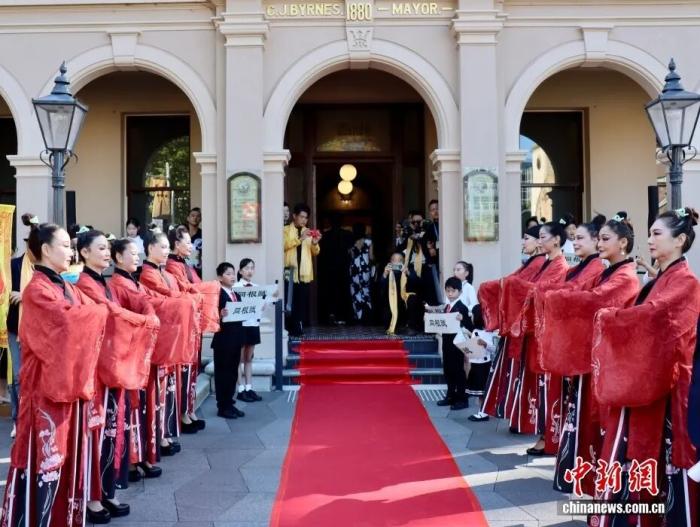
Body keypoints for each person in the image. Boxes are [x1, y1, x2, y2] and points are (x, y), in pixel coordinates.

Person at [590, 207, 700, 527]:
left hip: (668, 388)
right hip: (644, 382)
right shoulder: (661, 279)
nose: (650, 240)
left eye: (657, 234)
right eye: (650, 233)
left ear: (679, 240)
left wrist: (611, 318)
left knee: (664, 464)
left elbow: (653, 316)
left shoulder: (686, 281)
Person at [1, 223, 109, 527]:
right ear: (46, 250)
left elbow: (89, 312)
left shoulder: (66, 286)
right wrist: (102, 313)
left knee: (67, 457)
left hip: (68, 385)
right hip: (44, 390)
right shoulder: (37, 290)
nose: (70, 251)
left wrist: (103, 313)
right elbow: (68, 323)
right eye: (64, 245)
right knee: (44, 457)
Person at [537, 214, 638, 495]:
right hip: (590, 356)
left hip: (606, 362)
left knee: (593, 423)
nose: (599, 244)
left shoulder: (624, 276)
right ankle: (579, 476)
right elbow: (582, 293)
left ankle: (592, 478)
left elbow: (595, 300)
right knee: (579, 419)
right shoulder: (607, 271)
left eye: (604, 239)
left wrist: (554, 297)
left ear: (623, 243)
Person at [75, 230, 159, 523]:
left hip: (113, 364)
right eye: (100, 248)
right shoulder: (85, 284)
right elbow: (112, 315)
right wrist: (144, 321)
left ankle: (107, 490)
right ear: (84, 252)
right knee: (99, 434)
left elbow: (121, 310)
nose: (106, 253)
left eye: (107, 248)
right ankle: (93, 497)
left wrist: (145, 314)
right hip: (98, 370)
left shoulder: (103, 282)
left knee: (114, 431)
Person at [504, 221, 568, 454]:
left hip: (544, 334)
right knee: (536, 384)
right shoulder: (546, 263)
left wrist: (518, 286)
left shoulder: (560, 265)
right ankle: (539, 430)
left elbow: (544, 291)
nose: (539, 241)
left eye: (543, 237)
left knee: (545, 387)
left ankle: (546, 436)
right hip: (534, 332)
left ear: (556, 240)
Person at [108, 239, 164, 483]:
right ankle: (131, 461)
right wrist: (148, 317)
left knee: (141, 408)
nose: (138, 257)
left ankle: (139, 457)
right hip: (129, 353)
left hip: (140, 351)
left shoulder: (131, 281)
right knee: (132, 408)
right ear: (119, 257)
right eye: (132, 253)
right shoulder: (117, 284)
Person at [480, 224, 545, 420]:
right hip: (518, 325)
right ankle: (516, 416)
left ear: (539, 241)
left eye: (526, 238)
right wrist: (500, 285)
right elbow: (512, 281)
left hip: (523, 327)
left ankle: (520, 417)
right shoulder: (533, 262)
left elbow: (518, 286)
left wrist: (495, 286)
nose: (523, 243)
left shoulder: (538, 263)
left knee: (519, 375)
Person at [165, 225, 220, 433]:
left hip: (193, 323)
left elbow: (194, 287)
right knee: (185, 370)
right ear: (176, 244)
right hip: (184, 324)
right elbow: (186, 290)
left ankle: (189, 410)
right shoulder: (172, 266)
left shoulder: (183, 264)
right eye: (187, 242)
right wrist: (211, 287)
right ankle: (183, 414)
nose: (191, 246)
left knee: (192, 369)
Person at [6, 213, 37, 439]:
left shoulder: (47, 269)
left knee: (37, 376)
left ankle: (35, 418)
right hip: (16, 327)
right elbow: (6, 292)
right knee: (18, 375)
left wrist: (25, 295)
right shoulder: (14, 265)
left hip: (39, 329)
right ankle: (18, 419)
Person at [212, 262, 246, 419]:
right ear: (220, 277)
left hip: (236, 340)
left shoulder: (236, 295)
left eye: (233, 273)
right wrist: (219, 314)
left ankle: (230, 403)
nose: (232, 276)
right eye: (228, 274)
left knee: (233, 373)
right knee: (223, 374)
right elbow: (209, 315)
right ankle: (222, 406)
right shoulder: (217, 294)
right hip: (223, 341)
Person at [283, 203, 321, 336]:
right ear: (294, 216)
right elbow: (284, 245)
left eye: (306, 217)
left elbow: (315, 252)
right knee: (289, 301)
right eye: (301, 217)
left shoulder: (309, 232)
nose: (304, 220)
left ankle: (298, 328)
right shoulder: (285, 230)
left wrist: (315, 243)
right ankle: (289, 328)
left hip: (304, 273)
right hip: (289, 272)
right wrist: (300, 238)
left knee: (301, 301)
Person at [436, 277, 473, 410]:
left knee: (458, 370)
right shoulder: (447, 306)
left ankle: (462, 399)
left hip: (457, 344)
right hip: (447, 343)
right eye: (448, 291)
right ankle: (450, 395)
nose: (450, 293)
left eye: (453, 291)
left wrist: (463, 319)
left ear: (460, 292)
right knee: (448, 370)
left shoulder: (462, 307)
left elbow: (469, 326)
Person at [235, 258, 264, 403]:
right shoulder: (236, 287)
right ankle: (240, 389)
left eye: (252, 268)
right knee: (238, 359)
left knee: (248, 358)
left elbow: (262, 307)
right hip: (241, 326)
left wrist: (265, 301)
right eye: (246, 268)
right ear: (240, 271)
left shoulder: (257, 287)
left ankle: (249, 388)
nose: (249, 271)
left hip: (253, 324)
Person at [317, 214, 353, 324]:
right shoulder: (348, 234)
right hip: (343, 268)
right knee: (344, 292)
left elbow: (322, 255)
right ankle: (346, 316)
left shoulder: (325, 235)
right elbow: (350, 252)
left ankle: (331, 315)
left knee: (332, 292)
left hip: (330, 269)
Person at [467, 305, 497, 422]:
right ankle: (481, 410)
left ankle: (483, 412)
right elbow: (472, 348)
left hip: (484, 365)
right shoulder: (475, 331)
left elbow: (494, 349)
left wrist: (485, 344)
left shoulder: (490, 332)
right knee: (479, 390)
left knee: (483, 390)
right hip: (475, 363)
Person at [380, 252, 422, 335]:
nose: (396, 263)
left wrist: (408, 273)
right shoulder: (387, 272)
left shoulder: (408, 270)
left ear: (403, 263)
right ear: (390, 262)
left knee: (412, 299)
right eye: (394, 260)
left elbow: (418, 284)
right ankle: (392, 326)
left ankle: (410, 327)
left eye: (399, 261)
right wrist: (384, 275)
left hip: (404, 302)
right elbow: (380, 289)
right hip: (391, 303)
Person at [349, 223, 373, 324]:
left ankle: (358, 316)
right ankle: (367, 315)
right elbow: (371, 257)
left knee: (355, 292)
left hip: (354, 269)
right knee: (366, 291)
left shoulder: (352, 243)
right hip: (365, 269)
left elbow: (351, 256)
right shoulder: (368, 242)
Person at [186, 207, 202, 277]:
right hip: (184, 270)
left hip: (199, 271)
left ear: (200, 219)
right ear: (188, 218)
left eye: (198, 216)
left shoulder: (203, 234)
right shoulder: (183, 234)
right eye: (193, 216)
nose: (195, 218)